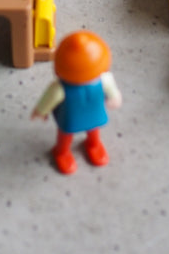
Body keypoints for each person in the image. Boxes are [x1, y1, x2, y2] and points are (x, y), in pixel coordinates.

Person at [31, 31, 122, 175]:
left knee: (93, 130)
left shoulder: (104, 80)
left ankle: (93, 144)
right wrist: (41, 110)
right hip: (71, 117)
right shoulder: (60, 89)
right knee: (66, 135)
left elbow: (112, 91)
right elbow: (49, 99)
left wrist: (114, 98)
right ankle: (61, 151)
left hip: (94, 113)